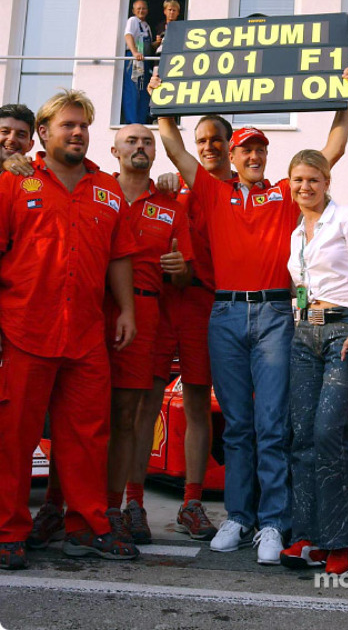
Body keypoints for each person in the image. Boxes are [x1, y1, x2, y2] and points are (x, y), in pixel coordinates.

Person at [157, 66, 348, 565]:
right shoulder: (211, 189)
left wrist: (343, 100)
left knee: (272, 424)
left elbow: (329, 153)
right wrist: (163, 101)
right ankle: (238, 517)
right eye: (244, 148)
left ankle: (272, 522)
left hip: (273, 313)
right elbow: (175, 147)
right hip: (224, 312)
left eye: (259, 148)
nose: (252, 155)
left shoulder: (284, 194)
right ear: (231, 153)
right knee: (239, 426)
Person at [0, 89, 139, 569]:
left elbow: (120, 254)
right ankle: (7, 533)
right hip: (23, 331)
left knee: (86, 436)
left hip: (86, 334)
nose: (77, 133)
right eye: (68, 125)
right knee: (14, 437)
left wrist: (125, 310)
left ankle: (86, 526)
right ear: (44, 132)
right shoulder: (13, 183)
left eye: (83, 126)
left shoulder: (108, 188)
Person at [126, 109, 235, 542]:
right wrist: (161, 101)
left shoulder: (238, 192)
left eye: (217, 140)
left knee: (196, 407)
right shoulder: (174, 188)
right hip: (161, 305)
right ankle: (133, 502)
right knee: (144, 406)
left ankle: (192, 502)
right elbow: (170, 145)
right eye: (202, 140)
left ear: (229, 145)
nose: (209, 147)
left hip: (205, 305)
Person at [279, 150, 348, 576]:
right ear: (290, 184)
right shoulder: (296, 233)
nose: (305, 187)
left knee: (328, 433)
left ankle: (342, 540)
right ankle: (307, 534)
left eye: (313, 180)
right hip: (304, 332)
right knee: (301, 436)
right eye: (298, 180)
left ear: (327, 181)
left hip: (343, 330)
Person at [122, 0, 153, 124]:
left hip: (144, 61)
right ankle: (131, 121)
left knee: (143, 90)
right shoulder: (133, 21)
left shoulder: (146, 25)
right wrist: (135, 52)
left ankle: (140, 121)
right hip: (135, 60)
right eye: (138, 8)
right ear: (133, 10)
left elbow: (148, 45)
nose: (141, 11)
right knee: (133, 89)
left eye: (144, 8)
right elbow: (128, 35)